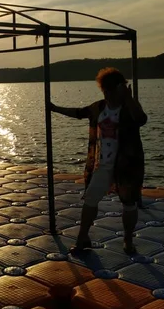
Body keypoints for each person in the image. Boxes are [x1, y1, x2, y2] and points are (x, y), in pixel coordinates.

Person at [50, 67, 147, 255]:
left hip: (127, 167)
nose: (109, 93)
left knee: (129, 203)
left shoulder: (129, 108)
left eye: (114, 89)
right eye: (106, 89)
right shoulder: (100, 107)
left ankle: (128, 239)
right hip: (103, 164)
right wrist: (54, 108)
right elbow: (78, 112)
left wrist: (129, 98)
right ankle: (82, 239)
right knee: (90, 199)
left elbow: (141, 119)